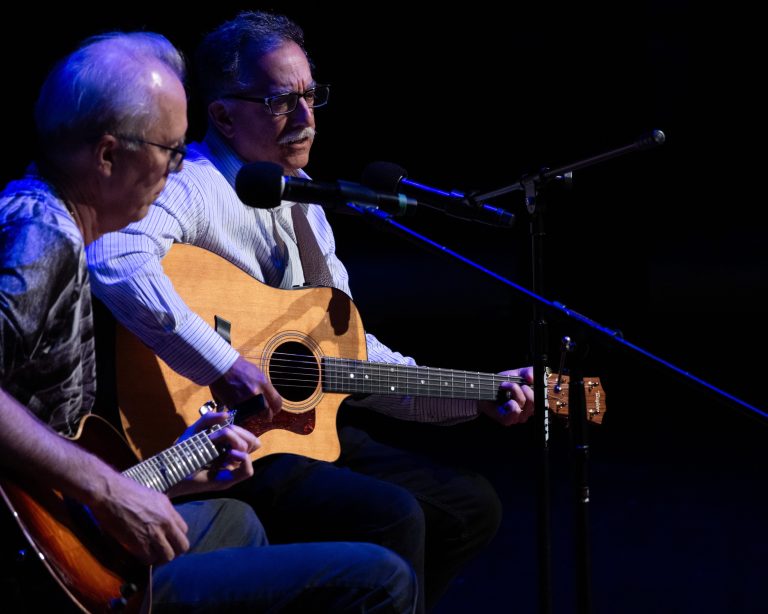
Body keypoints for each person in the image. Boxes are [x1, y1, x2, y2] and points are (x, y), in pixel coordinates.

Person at [87, 11, 534, 611]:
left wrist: (475, 396)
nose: (304, 118)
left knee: (468, 504)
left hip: (300, 430)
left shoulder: (305, 203)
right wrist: (224, 361)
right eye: (279, 101)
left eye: (309, 96)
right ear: (222, 115)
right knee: (390, 514)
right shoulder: (192, 183)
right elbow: (113, 254)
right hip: (226, 436)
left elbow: (352, 355)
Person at [0, 31, 416, 613]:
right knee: (379, 576)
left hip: (70, 522)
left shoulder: (53, 228)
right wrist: (106, 488)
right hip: (35, 560)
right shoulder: (43, 238)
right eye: (169, 151)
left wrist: (179, 465)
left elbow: (57, 453)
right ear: (109, 155)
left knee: (236, 520)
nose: (176, 170)